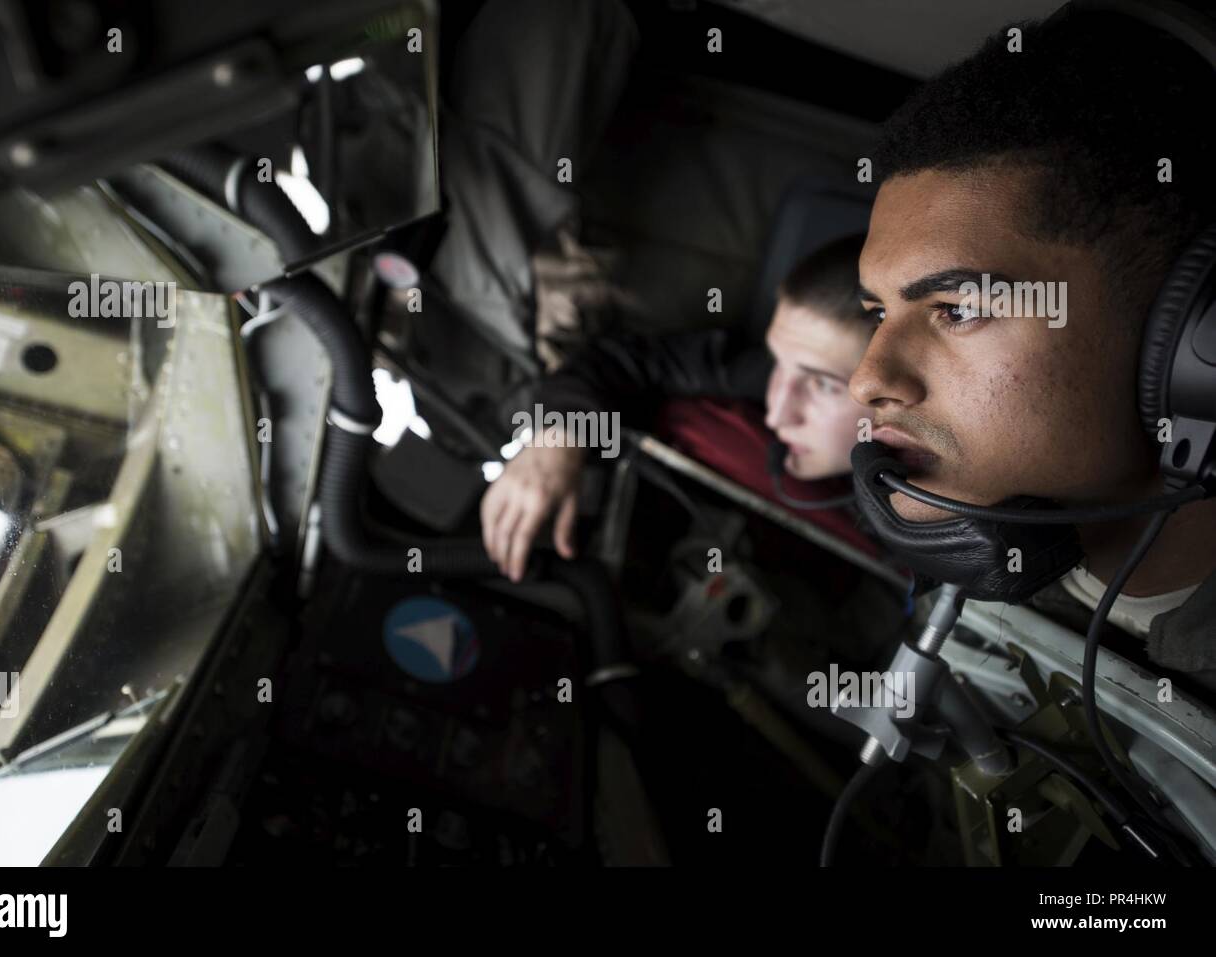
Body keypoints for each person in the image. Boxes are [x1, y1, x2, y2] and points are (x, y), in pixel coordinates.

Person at [850, 9, 1216, 687]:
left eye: (957, 309)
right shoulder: (969, 600)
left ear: (1195, 334)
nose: (866, 379)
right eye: (877, 312)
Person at [480, 233, 876, 582]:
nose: (777, 414)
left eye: (824, 385)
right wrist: (558, 437)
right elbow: (620, 364)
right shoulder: (767, 376)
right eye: (779, 365)